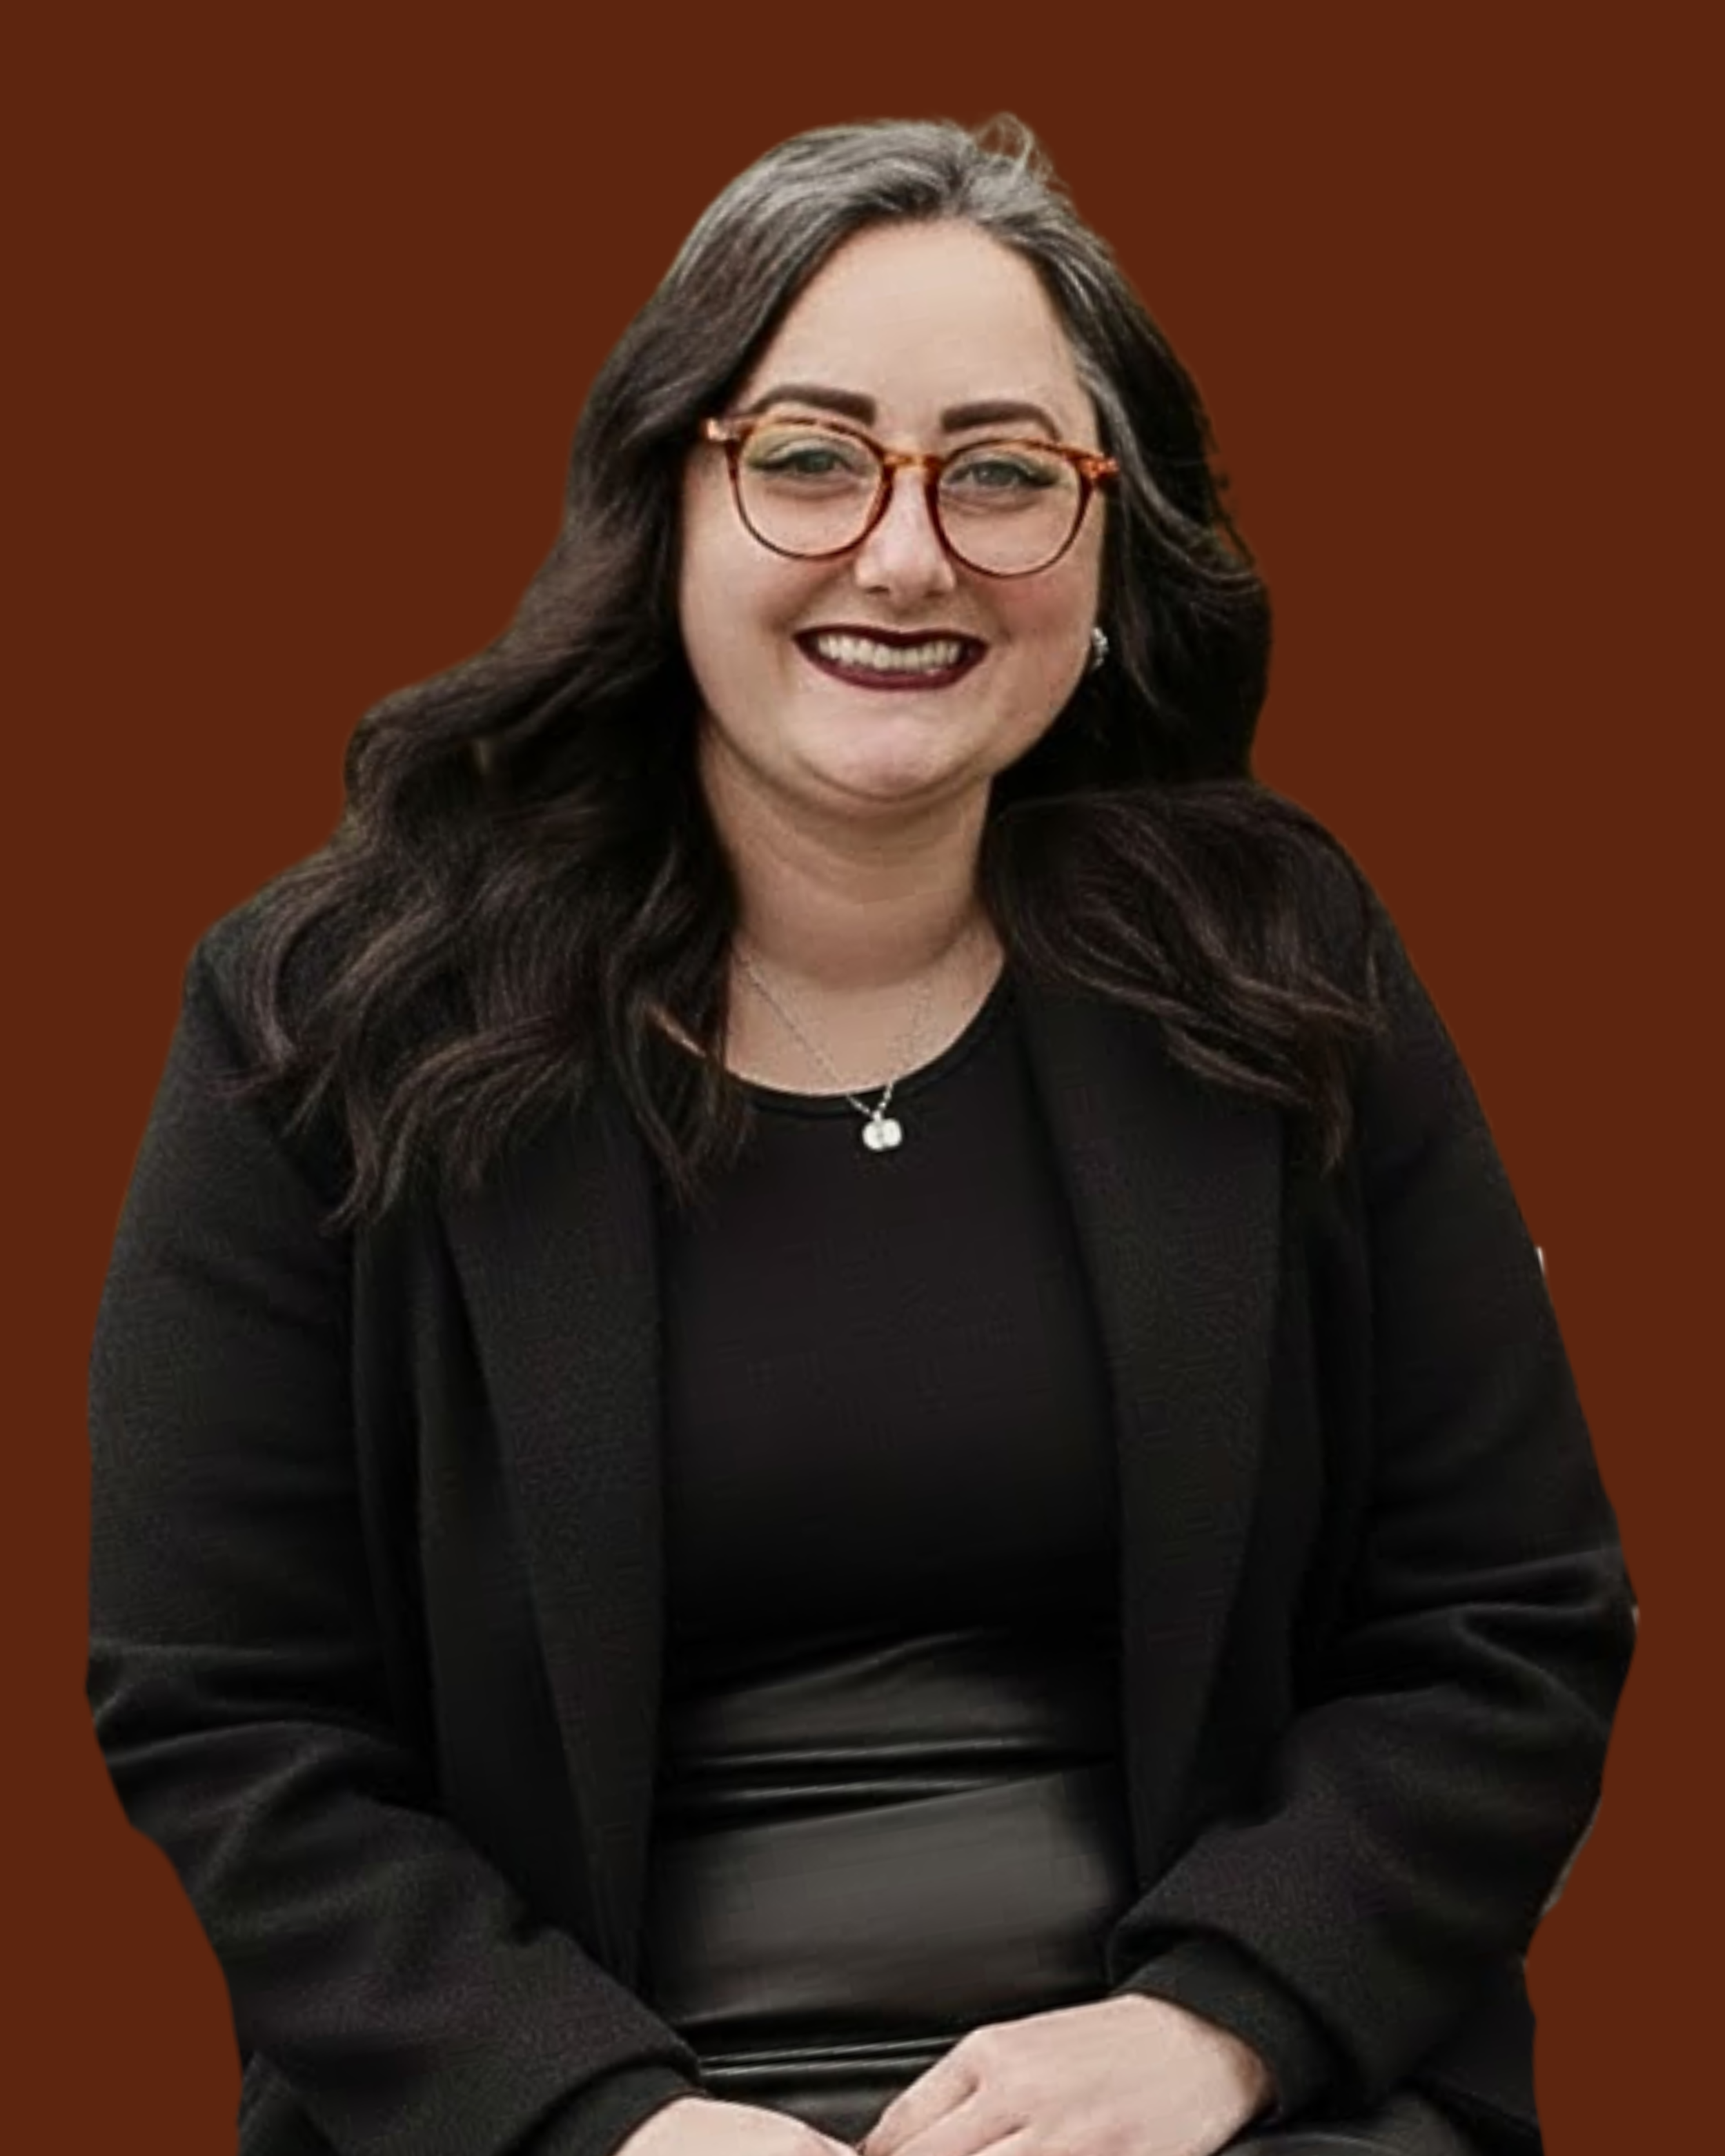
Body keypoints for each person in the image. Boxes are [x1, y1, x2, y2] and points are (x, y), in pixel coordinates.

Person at [86, 115, 1635, 2156]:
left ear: (1102, 553)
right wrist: (597, 2114)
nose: (904, 555)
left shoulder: (1278, 965)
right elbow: (233, 1716)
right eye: (808, 456)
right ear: (664, 504)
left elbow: (1506, 1617)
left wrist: (1221, 2023)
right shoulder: (325, 1014)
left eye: (1001, 475)